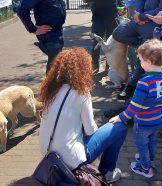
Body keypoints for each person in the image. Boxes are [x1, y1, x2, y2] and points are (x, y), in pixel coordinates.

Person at [38, 48, 128, 183]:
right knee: (119, 127)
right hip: (70, 159)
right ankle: (106, 172)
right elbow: (91, 129)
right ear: (83, 69)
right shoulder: (81, 91)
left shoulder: (51, 89)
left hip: (46, 152)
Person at [110, 39, 162, 178]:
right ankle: (150, 161)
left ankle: (145, 168)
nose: (140, 62)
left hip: (144, 122)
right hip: (158, 120)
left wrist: (120, 118)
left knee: (142, 145)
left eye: (140, 60)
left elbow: (134, 107)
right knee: (153, 141)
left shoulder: (144, 82)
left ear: (149, 61)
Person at [17, 0, 66, 73]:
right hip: (48, 32)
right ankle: (50, 89)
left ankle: (53, 87)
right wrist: (33, 29)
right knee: (55, 61)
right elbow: (22, 10)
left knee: (57, 58)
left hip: (58, 31)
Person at [84, 0, 125, 73]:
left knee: (112, 44)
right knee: (97, 42)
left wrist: (122, 7)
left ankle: (109, 67)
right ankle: (95, 66)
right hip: (99, 17)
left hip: (113, 18)